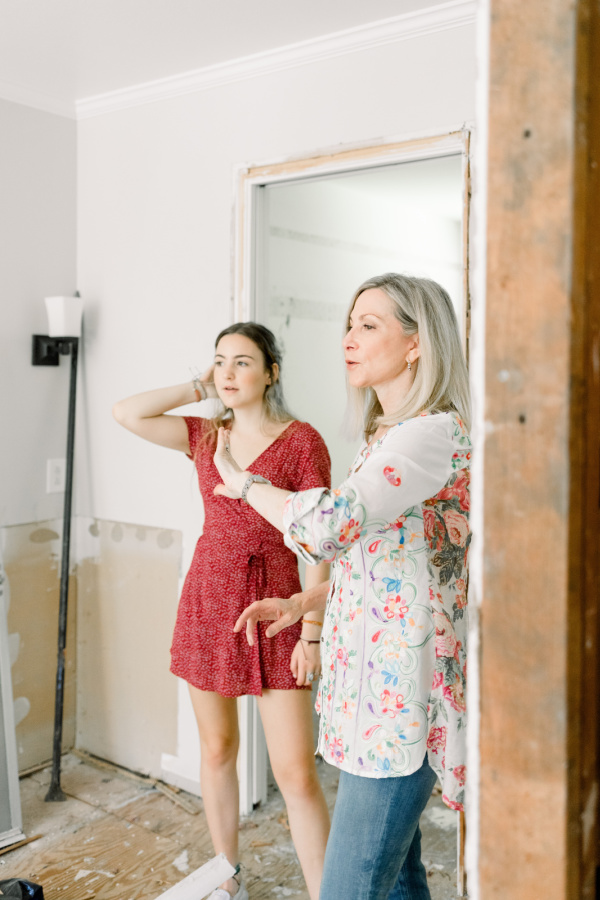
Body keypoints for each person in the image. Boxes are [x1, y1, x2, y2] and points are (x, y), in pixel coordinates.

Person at [212, 274, 472, 900]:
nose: (348, 339)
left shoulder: (427, 436)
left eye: (369, 325)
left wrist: (245, 481)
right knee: (399, 880)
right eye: (349, 324)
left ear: (416, 343)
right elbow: (396, 566)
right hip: (371, 698)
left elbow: (329, 526)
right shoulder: (388, 437)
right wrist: (308, 600)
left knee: (348, 889)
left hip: (397, 706)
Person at [112, 322, 331, 900]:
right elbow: (127, 413)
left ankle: (328, 893)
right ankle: (226, 879)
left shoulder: (303, 441)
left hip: (279, 609)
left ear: (271, 372)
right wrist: (196, 385)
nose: (228, 374)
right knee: (217, 749)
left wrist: (313, 633)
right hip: (209, 601)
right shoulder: (206, 435)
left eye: (242, 362)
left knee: (295, 774)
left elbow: (318, 540)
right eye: (220, 363)